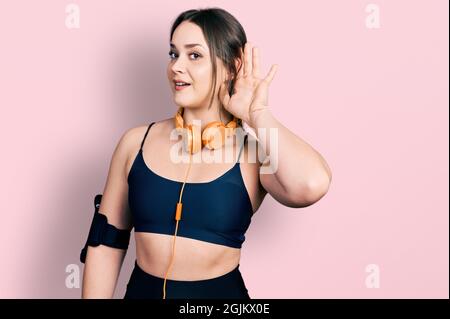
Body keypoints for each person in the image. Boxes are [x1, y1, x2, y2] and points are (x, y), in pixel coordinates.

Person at [81, 7, 332, 299]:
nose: (176, 66)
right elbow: (107, 240)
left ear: (231, 67)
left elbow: (311, 184)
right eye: (174, 53)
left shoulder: (254, 154)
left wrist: (258, 115)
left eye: (194, 55)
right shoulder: (135, 142)